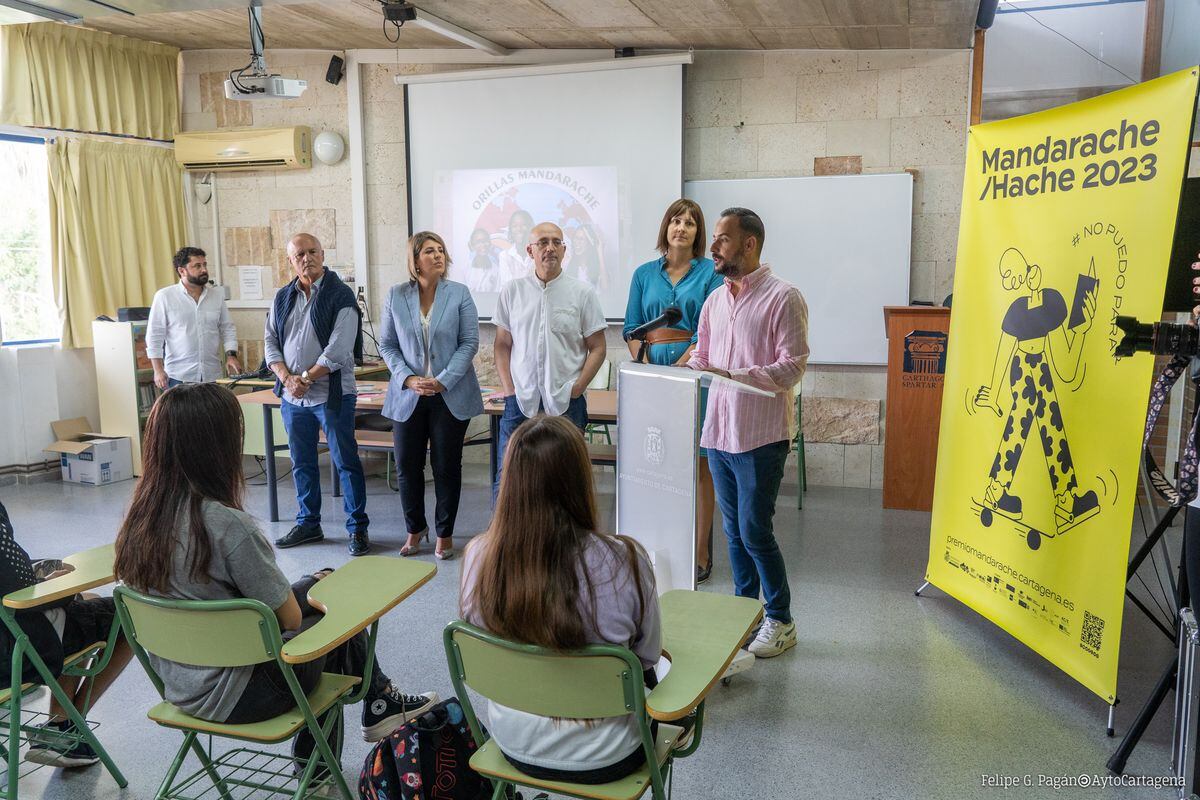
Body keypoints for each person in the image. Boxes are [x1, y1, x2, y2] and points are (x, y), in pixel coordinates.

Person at [113, 383, 438, 757]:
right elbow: (288, 619)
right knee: (340, 620)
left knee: (321, 583)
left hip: (181, 687)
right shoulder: (227, 526)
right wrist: (311, 596)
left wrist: (307, 586)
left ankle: (378, 701)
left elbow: (241, 606)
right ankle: (344, 738)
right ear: (217, 448)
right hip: (247, 694)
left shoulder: (138, 523)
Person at [459, 414, 661, 783]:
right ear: (579, 480)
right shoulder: (626, 559)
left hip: (511, 742)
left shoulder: (478, 556)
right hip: (609, 752)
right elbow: (647, 656)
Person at [688, 207, 808, 658]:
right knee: (734, 534)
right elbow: (702, 351)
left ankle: (781, 618)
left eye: (721, 239)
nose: (713, 246)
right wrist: (697, 364)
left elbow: (793, 365)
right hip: (718, 432)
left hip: (760, 436)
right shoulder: (715, 299)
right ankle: (745, 616)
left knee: (755, 531)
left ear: (749, 244)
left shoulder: (784, 297)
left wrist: (734, 374)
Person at [624, 199, 723, 584]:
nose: (681, 228)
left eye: (690, 223)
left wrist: (684, 366)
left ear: (699, 233)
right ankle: (657, 542)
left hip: (693, 378)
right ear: (665, 227)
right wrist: (648, 365)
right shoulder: (643, 274)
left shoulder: (711, 274)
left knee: (697, 465)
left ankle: (699, 550)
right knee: (654, 461)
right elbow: (631, 326)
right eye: (675, 221)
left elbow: (709, 328)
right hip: (649, 379)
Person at [0, 500, 133, 768]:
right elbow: (18, 595)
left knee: (86, 602)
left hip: (11, 637)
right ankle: (65, 727)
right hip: (12, 653)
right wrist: (61, 587)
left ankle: (61, 724)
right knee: (130, 618)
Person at [974, 248, 1098, 529]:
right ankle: (1012, 493)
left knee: (1050, 427)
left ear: (1031, 271)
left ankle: (1056, 499)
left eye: (1010, 274)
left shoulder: (1052, 302)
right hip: (1024, 367)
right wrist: (993, 392)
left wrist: (1080, 331)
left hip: (1040, 366)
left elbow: (1066, 367)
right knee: (1023, 422)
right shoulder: (1016, 307)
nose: (1009, 281)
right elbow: (1004, 349)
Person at [378, 232, 484, 560]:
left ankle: (445, 533)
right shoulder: (396, 296)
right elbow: (387, 345)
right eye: (429, 251)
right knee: (407, 467)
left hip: (448, 394)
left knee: (446, 466)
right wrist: (408, 378)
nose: (437, 256)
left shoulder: (459, 294)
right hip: (408, 394)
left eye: (441, 250)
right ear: (415, 260)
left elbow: (470, 342)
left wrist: (442, 380)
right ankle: (415, 529)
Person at [264, 233, 371, 556]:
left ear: (323, 254)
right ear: (290, 260)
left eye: (312, 252)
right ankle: (309, 523)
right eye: (300, 254)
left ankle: (357, 529)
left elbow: (339, 350)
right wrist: (286, 377)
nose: (306, 258)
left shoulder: (341, 296)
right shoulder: (283, 296)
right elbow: (270, 342)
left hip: (331, 395)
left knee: (346, 462)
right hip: (293, 398)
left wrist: (305, 378)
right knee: (302, 462)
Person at [489, 221, 607, 498]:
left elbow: (598, 347)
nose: (550, 248)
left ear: (565, 250)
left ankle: (568, 540)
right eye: (543, 242)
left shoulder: (583, 293)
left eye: (557, 242)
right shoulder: (512, 291)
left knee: (568, 479)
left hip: (566, 401)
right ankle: (505, 539)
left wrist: (577, 388)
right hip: (520, 399)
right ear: (530, 251)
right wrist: (509, 390)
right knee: (509, 477)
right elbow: (502, 345)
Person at [146, 246, 241, 389]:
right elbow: (155, 336)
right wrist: (158, 370)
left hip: (211, 376)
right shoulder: (165, 297)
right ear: (182, 270)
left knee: (212, 412)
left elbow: (227, 328)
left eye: (204, 265)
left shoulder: (216, 296)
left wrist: (231, 355)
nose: (204, 270)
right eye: (197, 266)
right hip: (178, 377)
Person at [497, 209, 534, 285]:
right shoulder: (504, 256)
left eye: (524, 225)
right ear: (510, 230)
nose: (519, 229)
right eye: (515, 226)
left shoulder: (539, 255)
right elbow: (508, 287)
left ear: (530, 227)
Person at [567, 224, 606, 292]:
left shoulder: (597, 266)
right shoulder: (569, 264)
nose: (577, 242)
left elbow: (605, 289)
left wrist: (600, 252)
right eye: (576, 238)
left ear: (589, 244)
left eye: (581, 239)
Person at [464, 228, 501, 293]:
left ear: (490, 244)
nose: (483, 245)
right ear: (472, 245)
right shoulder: (465, 269)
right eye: (478, 242)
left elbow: (497, 295)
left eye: (486, 241)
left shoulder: (496, 270)